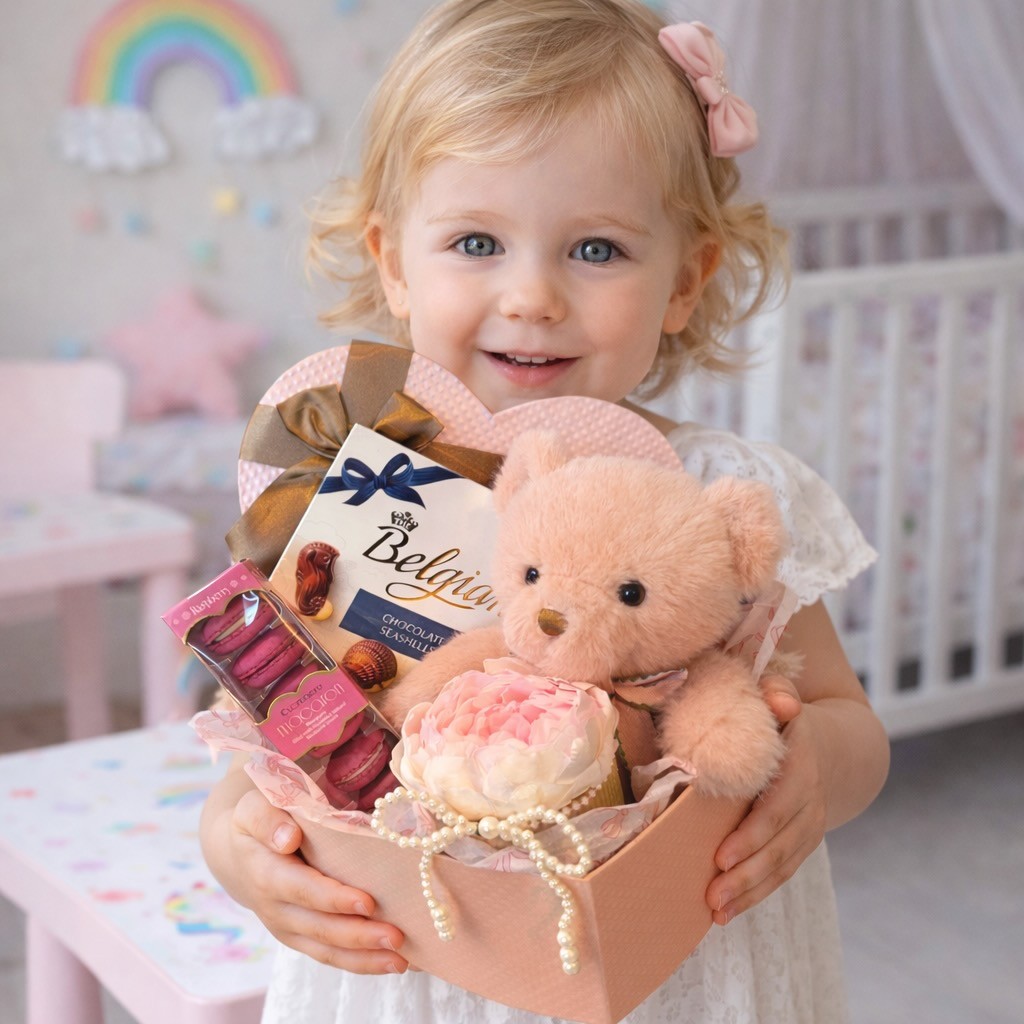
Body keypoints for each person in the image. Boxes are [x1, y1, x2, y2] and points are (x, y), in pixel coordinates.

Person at [200, 2, 891, 1021]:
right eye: (477, 240)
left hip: (676, 963)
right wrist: (233, 843)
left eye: (597, 250)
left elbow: (848, 719)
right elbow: (266, 720)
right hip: (422, 956)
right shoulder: (352, 479)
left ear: (684, 279)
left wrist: (816, 774)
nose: (531, 295)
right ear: (393, 261)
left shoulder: (726, 495)